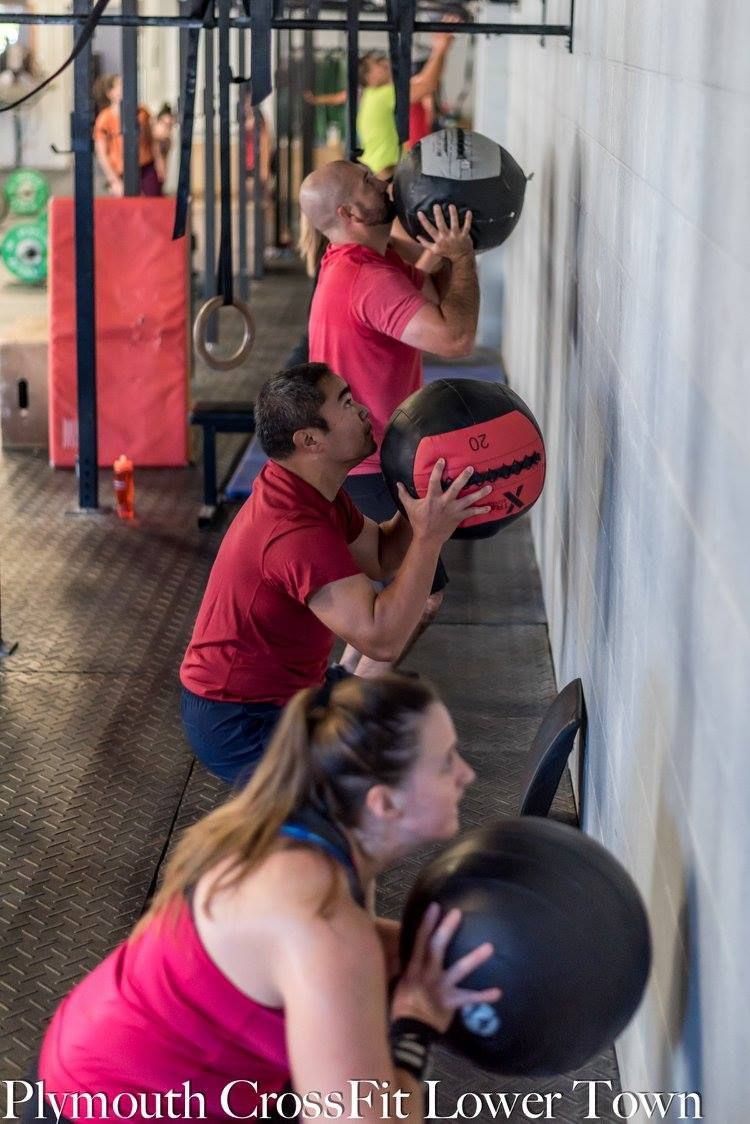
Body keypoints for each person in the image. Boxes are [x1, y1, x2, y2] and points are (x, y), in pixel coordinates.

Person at [31, 674, 501, 1124]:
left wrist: (425, 952)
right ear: (384, 803)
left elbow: (336, 954)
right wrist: (416, 1024)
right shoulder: (318, 916)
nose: (467, 773)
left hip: (92, 1064)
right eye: (446, 762)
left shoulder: (311, 836)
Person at [179, 362, 491, 785]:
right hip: (240, 718)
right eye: (346, 403)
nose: (363, 411)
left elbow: (381, 554)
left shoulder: (310, 491)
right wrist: (429, 537)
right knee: (347, 801)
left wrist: (418, 502)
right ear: (310, 440)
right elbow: (381, 638)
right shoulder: (293, 530)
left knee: (400, 742)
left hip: (288, 695)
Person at [298, 161, 480, 678]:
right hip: (364, 466)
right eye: (369, 182)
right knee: (418, 601)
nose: (386, 181)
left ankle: (338, 695)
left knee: (393, 603)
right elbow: (456, 337)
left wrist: (447, 254)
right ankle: (343, 712)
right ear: (350, 212)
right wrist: (464, 257)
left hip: (364, 457)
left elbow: (429, 293)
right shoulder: (367, 276)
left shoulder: (363, 260)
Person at [304, 22, 456, 179]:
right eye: (377, 63)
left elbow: (423, 81)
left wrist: (440, 50)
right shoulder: (381, 94)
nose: (384, 63)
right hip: (384, 170)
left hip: (379, 166)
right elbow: (427, 85)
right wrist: (440, 48)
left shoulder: (371, 95)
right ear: (370, 77)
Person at [93, 75, 164, 197]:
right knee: (129, 209)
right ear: (111, 93)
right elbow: (102, 154)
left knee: (153, 204)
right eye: (120, 85)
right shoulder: (104, 119)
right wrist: (113, 181)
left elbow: (151, 139)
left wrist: (159, 161)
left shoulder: (142, 111)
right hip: (121, 171)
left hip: (146, 166)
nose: (125, 88)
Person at [151, 101, 175, 169]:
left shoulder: (166, 142)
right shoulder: (146, 139)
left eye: (170, 126)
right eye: (165, 125)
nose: (167, 130)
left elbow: (163, 170)